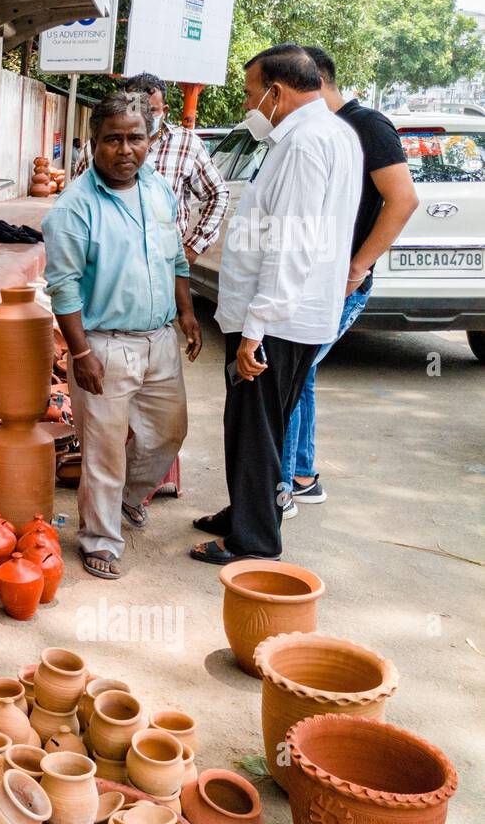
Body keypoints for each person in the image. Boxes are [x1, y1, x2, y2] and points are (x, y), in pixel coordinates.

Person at [192, 45, 361, 564]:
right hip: (294, 314)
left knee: (256, 428)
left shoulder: (306, 144)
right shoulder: (333, 135)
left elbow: (291, 246)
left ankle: (253, 539)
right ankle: (245, 509)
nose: (249, 105)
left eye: (250, 94)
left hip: (279, 320)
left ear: (277, 92)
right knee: (259, 423)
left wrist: (255, 328)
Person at [44, 93, 202, 579]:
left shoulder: (157, 190)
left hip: (159, 339)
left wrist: (187, 312)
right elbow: (63, 286)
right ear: (94, 143)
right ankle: (100, 538)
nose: (125, 148)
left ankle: (129, 498)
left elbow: (175, 257)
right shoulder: (74, 208)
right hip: (104, 344)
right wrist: (81, 351)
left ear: (150, 141)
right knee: (104, 449)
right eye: (113, 138)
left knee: (168, 432)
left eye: (135, 137)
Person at [277, 46, 418, 518]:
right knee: (303, 373)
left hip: (339, 283)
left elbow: (403, 200)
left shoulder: (367, 126)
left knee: (289, 373)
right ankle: (301, 474)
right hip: (314, 279)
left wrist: (356, 270)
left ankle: (280, 489)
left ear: (311, 80)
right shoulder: (324, 131)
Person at [75, 72, 230, 263]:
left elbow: (218, 194)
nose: (143, 118)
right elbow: (77, 204)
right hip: (106, 262)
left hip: (163, 263)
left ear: (164, 109)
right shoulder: (97, 149)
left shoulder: (187, 144)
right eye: (137, 109)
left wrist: (193, 247)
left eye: (151, 111)